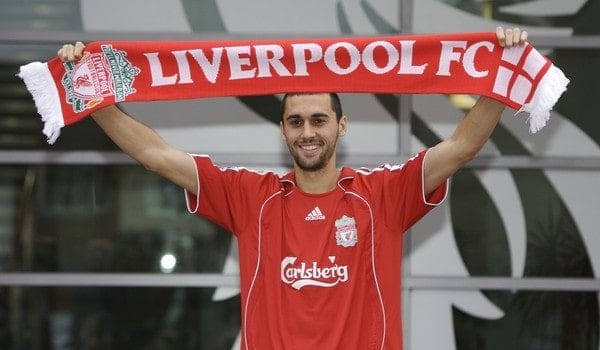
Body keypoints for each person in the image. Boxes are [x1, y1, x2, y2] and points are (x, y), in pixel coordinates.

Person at [58, 27, 527, 350]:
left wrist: (500, 76)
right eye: (296, 121)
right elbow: (155, 155)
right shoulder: (251, 197)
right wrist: (92, 96)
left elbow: (462, 147)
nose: (308, 132)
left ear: (341, 126)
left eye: (319, 120)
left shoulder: (383, 194)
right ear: (282, 131)